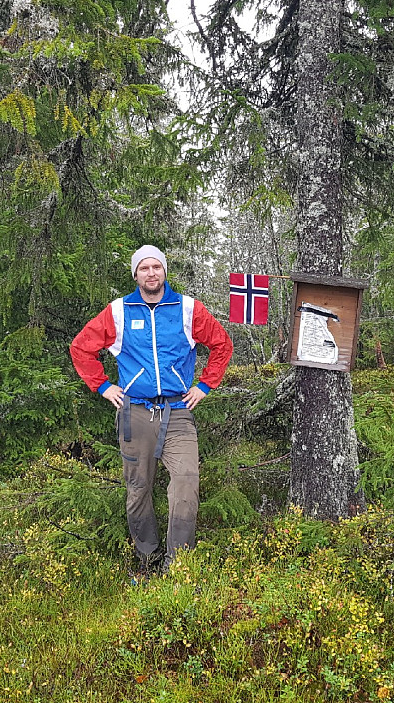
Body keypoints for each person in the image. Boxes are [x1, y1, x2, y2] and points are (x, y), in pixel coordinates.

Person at [70, 245, 233, 574]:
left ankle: (178, 567)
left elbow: (221, 344)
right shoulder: (119, 311)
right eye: (144, 268)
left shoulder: (187, 309)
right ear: (135, 274)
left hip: (178, 412)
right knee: (139, 489)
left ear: (164, 271)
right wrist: (102, 386)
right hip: (135, 413)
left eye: (156, 267)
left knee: (187, 482)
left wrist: (204, 386)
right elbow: (81, 347)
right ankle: (149, 561)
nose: (151, 273)